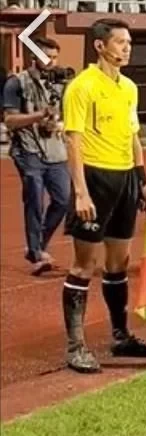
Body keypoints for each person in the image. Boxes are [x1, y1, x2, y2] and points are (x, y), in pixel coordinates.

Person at [61, 18, 146, 373]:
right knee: (84, 265)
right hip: (94, 179)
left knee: (118, 263)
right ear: (100, 46)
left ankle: (120, 336)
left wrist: (142, 180)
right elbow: (74, 140)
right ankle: (75, 347)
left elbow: (134, 136)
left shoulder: (129, 88)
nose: (127, 47)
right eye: (120, 42)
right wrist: (80, 193)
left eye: (129, 42)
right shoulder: (81, 87)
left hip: (125, 180)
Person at [2, 38, 70, 276]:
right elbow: (9, 120)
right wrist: (39, 116)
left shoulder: (61, 82)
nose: (51, 61)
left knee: (64, 199)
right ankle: (37, 252)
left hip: (55, 149)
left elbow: (64, 116)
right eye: (46, 56)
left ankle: (37, 246)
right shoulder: (16, 83)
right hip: (28, 150)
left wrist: (56, 123)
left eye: (54, 56)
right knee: (34, 200)